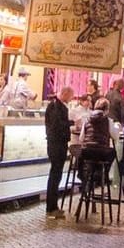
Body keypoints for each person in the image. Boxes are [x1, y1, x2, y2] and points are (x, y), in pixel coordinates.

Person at [43, 85, 73, 217]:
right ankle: (51, 207)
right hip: (56, 144)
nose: (71, 99)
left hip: (57, 143)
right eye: (71, 96)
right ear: (65, 94)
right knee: (55, 174)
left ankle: (53, 206)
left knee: (56, 174)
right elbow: (57, 125)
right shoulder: (56, 106)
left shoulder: (57, 105)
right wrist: (71, 123)